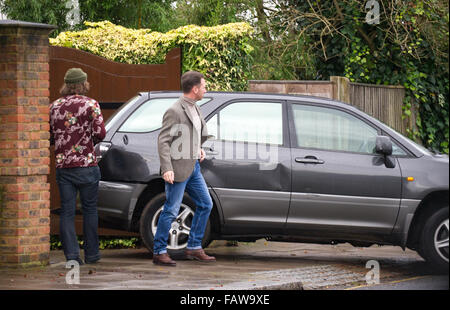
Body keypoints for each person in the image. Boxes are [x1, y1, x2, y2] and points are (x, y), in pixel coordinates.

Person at [154, 71, 215, 266]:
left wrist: (198, 149)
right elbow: (164, 140)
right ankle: (159, 251)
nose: (206, 89)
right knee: (171, 210)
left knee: (206, 204)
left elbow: (190, 135)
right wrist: (167, 168)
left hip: (194, 167)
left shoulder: (196, 107)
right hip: (178, 169)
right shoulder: (175, 110)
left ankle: (194, 246)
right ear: (195, 89)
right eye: (204, 86)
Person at [49, 68, 106, 265]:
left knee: (67, 211)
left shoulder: (54, 107)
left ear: (66, 84)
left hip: (64, 166)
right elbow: (101, 133)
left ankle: (72, 256)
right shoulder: (91, 105)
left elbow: (49, 135)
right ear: (83, 84)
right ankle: (92, 255)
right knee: (90, 209)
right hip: (87, 164)